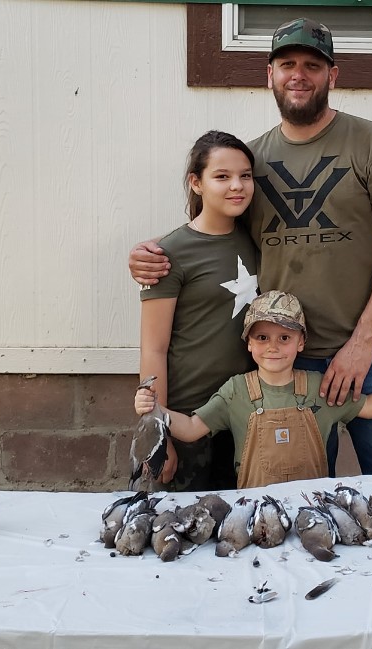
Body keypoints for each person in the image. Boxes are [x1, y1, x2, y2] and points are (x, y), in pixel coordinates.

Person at [130, 17, 372, 477]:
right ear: (269, 75)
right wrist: (153, 255)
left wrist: (361, 345)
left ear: (333, 75)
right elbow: (211, 226)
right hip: (286, 356)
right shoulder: (252, 162)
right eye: (287, 63)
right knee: (294, 496)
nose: (299, 74)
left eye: (313, 64)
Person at [135, 291, 372, 489]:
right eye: (263, 338)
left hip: (314, 511)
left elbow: (371, 406)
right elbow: (189, 429)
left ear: (301, 343)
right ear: (249, 343)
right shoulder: (236, 392)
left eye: (285, 338)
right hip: (255, 514)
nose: (273, 347)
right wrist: (155, 411)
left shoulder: (316, 387)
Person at [135, 130, 259, 491]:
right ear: (197, 182)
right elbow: (153, 348)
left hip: (244, 417)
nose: (237, 186)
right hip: (186, 418)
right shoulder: (167, 254)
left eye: (245, 176)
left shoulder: (259, 239)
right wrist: (160, 432)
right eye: (222, 176)